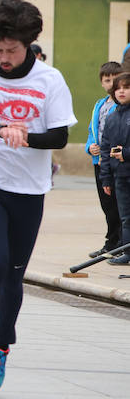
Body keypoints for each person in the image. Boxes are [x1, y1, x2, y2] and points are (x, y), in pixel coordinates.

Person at [0, 0, 75, 392]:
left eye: (12, 50)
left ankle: (2, 347)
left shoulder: (49, 80)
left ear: (29, 46)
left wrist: (25, 138)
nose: (4, 58)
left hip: (28, 188)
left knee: (14, 273)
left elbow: (59, 136)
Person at [85, 62, 122, 258]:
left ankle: (121, 243)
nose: (111, 84)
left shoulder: (123, 106)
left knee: (119, 204)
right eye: (107, 80)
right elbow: (92, 131)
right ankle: (111, 242)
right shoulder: (99, 105)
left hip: (116, 162)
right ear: (101, 82)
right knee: (106, 204)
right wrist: (90, 147)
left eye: (115, 80)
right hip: (99, 162)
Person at [100, 73, 130, 265]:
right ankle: (127, 251)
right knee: (125, 217)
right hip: (120, 176)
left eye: (126, 87)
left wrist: (125, 154)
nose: (121, 91)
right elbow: (105, 149)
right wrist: (106, 178)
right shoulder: (112, 117)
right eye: (118, 88)